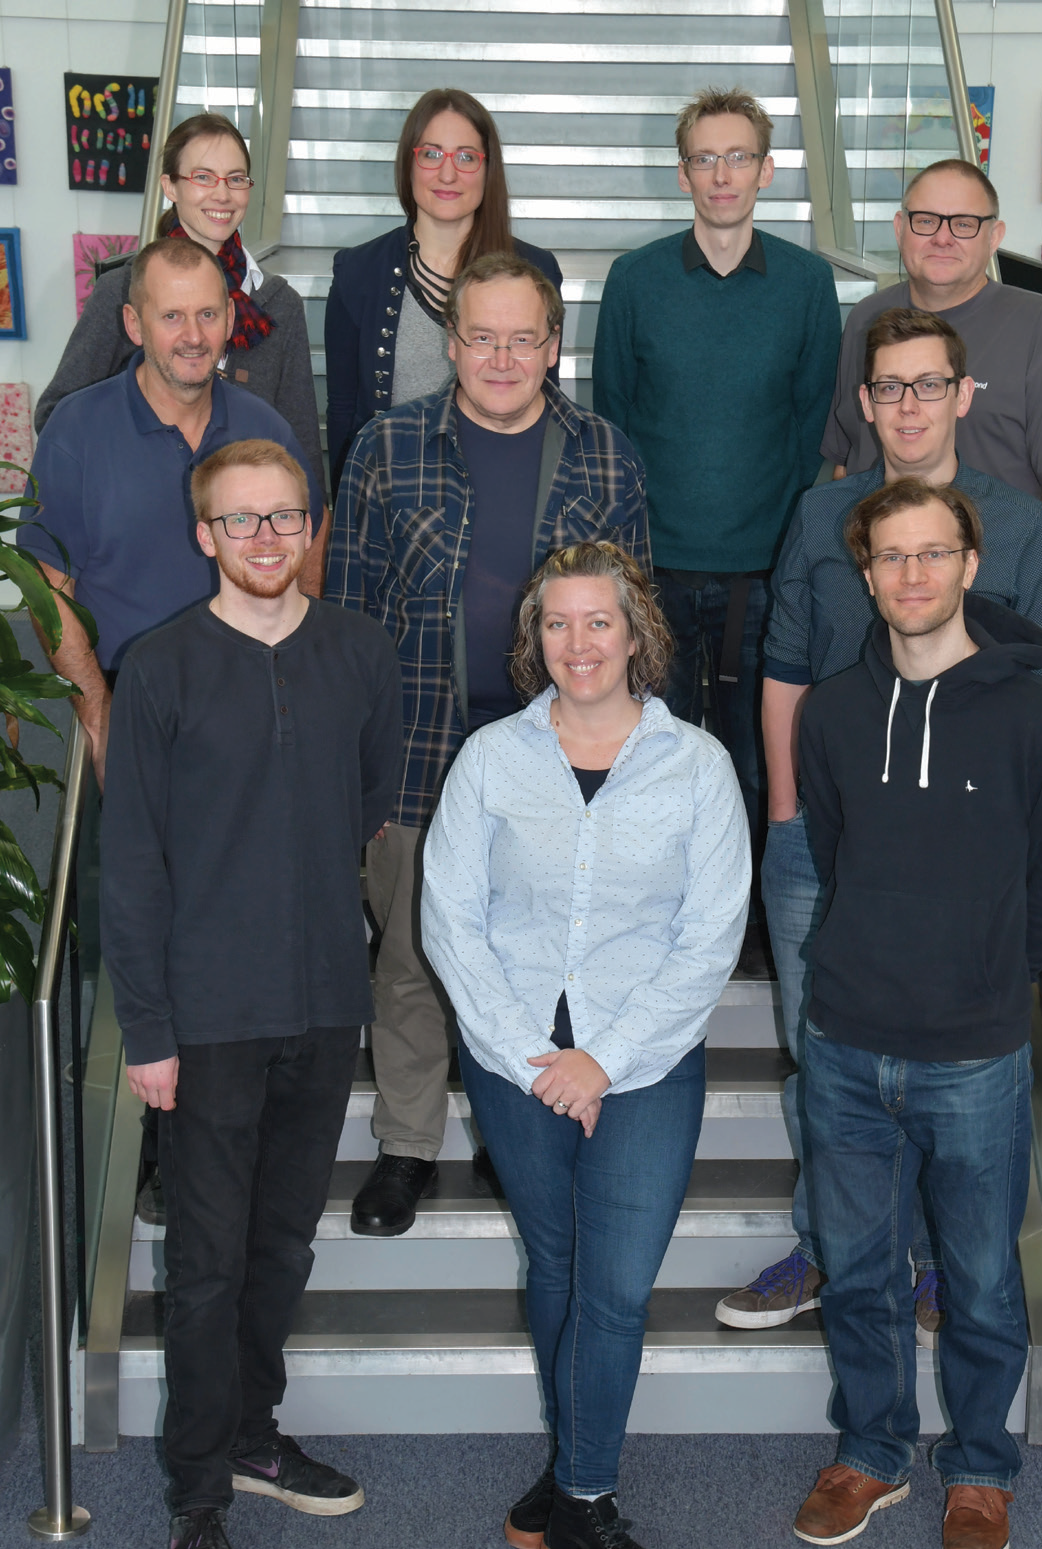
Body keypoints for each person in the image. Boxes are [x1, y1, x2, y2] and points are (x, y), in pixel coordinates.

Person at [715, 306, 1042, 1336]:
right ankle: (831, 1248)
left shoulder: (1018, 527)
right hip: (821, 843)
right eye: (886, 387)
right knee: (819, 1056)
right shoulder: (818, 515)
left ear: (962, 396)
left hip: (962, 862)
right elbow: (783, 666)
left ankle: (930, 1264)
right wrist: (783, 816)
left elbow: (1036, 690)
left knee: (953, 1074)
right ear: (862, 403)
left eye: (926, 384)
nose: (905, 405)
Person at [100, 438, 403, 1549]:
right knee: (205, 1262)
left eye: (285, 517)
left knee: (281, 1247)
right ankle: (198, 1486)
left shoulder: (360, 653)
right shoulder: (159, 665)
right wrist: (150, 1029)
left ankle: (254, 1432)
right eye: (242, 520)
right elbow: (130, 864)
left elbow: (369, 803)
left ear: (311, 525)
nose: (267, 538)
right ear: (205, 535)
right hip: (207, 1017)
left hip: (324, 1002)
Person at [421, 542, 751, 1549]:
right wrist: (534, 1055)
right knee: (556, 1264)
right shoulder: (492, 759)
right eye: (555, 624)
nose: (577, 644)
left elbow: (710, 936)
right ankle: (574, 1477)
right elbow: (449, 919)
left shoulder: (696, 764)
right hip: (513, 1050)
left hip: (644, 1059)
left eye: (596, 621)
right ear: (534, 640)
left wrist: (600, 1061)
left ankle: (582, 1491)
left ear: (636, 631)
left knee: (614, 1283)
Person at [789, 479, 1042, 1549]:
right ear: (863, 573)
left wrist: (992, 971)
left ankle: (977, 1467)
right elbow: (834, 849)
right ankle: (869, 1451)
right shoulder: (827, 711)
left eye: (931, 553)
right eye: (889, 557)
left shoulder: (1026, 714)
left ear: (969, 563)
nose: (910, 575)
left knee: (977, 1276)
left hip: (972, 1049)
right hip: (842, 1040)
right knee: (858, 1266)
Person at [325, 253, 650, 1239]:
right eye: (481, 336)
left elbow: (634, 623)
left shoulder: (606, 456)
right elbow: (345, 622)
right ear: (451, 342)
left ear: (553, 345)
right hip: (417, 749)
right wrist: (352, 779)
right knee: (415, 959)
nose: (501, 357)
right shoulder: (385, 448)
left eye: (523, 338)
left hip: (560, 761)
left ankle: (527, 1135)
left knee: (544, 957)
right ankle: (406, 1148)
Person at [592, 86, 839, 965]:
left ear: (766, 171)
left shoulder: (808, 285)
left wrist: (785, 560)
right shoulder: (636, 280)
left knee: (753, 765)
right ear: (685, 170)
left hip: (766, 577)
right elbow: (611, 424)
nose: (723, 174)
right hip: (654, 573)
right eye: (706, 157)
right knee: (646, 763)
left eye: (739, 157)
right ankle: (645, 927)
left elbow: (814, 429)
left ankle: (746, 935)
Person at [17, 237, 324, 788]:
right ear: (135, 325)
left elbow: (308, 544)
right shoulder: (75, 433)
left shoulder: (267, 430)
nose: (192, 336)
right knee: (126, 874)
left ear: (230, 318)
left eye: (208, 314)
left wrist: (291, 683)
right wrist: (102, 717)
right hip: (124, 701)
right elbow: (46, 590)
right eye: (172, 316)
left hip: (251, 707)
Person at [821, 157, 1042, 676]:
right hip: (878, 596)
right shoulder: (865, 321)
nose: (942, 237)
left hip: (994, 600)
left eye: (964, 223)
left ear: (994, 235)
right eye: (926, 220)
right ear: (901, 228)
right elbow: (848, 464)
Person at [36, 112, 323, 493]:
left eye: (236, 179)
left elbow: (300, 441)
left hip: (242, 523)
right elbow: (56, 414)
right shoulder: (123, 290)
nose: (222, 194)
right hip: (138, 508)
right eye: (203, 177)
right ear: (170, 186)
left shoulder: (277, 302)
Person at [325, 86, 562, 492]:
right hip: (392, 498)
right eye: (431, 154)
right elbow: (344, 411)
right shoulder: (357, 273)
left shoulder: (536, 271)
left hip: (506, 489)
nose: (447, 174)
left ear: (489, 170)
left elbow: (547, 401)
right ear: (408, 164)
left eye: (466, 157)